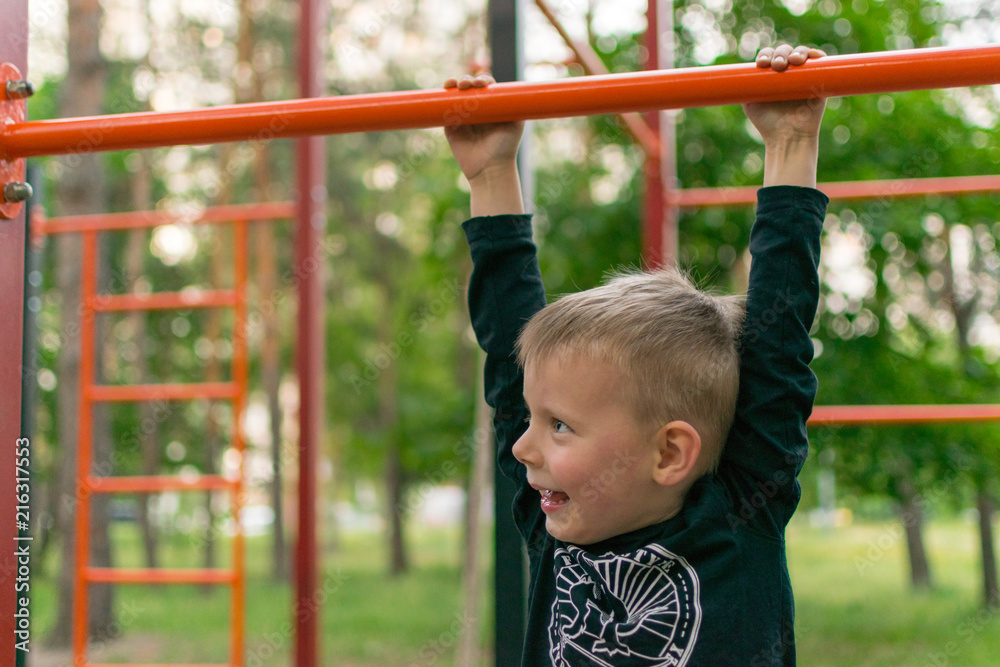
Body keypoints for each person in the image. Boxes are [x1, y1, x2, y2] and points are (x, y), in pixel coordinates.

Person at [446, 43, 828, 666]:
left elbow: (778, 342)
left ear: (670, 452)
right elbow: (508, 356)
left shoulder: (737, 516)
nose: (522, 446)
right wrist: (490, 174)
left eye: (560, 425)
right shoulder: (557, 520)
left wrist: (789, 143)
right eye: (537, 420)